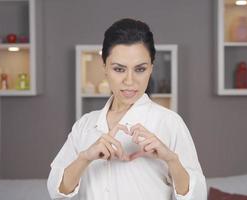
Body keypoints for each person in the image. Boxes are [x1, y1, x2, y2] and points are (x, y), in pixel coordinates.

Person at [47, 18, 207, 200]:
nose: (129, 81)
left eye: (140, 69)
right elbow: (57, 191)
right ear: (105, 68)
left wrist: (171, 160)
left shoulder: (169, 122)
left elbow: (198, 196)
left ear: (151, 69)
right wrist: (85, 157)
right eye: (119, 69)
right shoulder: (85, 125)